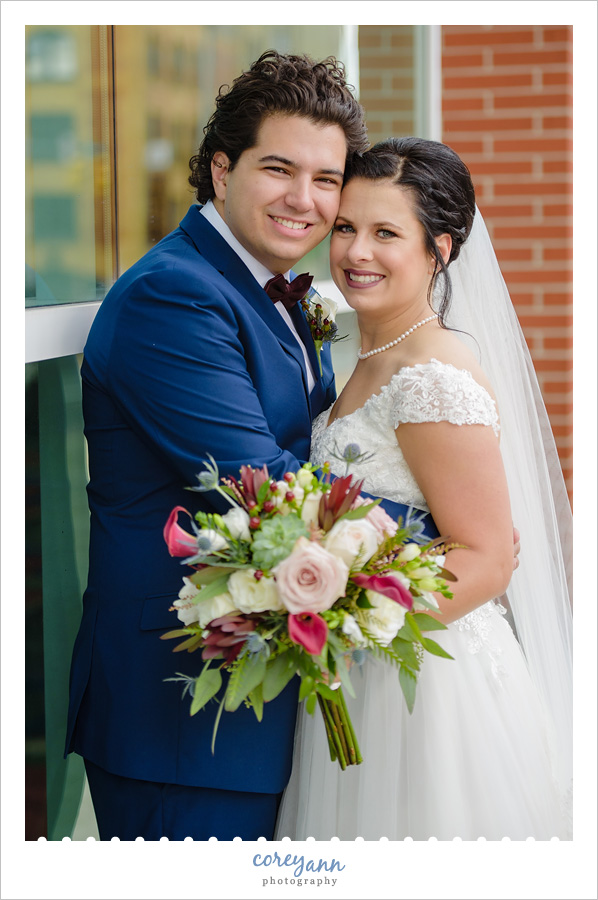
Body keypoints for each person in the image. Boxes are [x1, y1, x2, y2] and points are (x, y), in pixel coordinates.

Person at [64, 50, 376, 841]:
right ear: (220, 169)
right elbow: (266, 484)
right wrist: (436, 531)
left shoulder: (269, 291)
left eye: (327, 179)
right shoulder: (174, 296)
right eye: (279, 169)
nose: (304, 201)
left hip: (257, 697)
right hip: (182, 716)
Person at [275, 137, 573, 840]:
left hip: (424, 692)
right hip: (359, 673)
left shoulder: (432, 377)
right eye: (345, 227)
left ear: (439, 249)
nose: (355, 253)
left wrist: (348, 619)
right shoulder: (371, 352)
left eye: (386, 234)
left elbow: (487, 559)